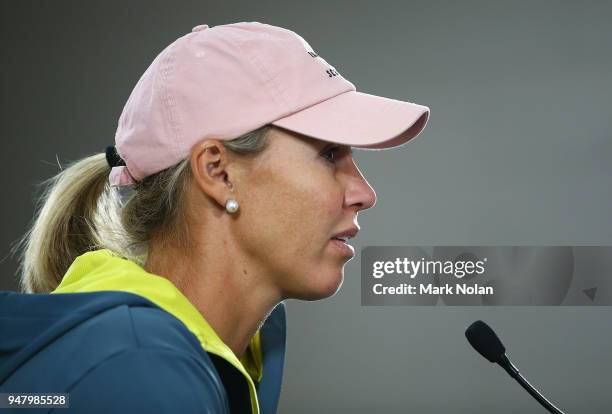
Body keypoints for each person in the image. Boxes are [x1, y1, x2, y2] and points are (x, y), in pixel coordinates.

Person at [0, 21, 430, 413]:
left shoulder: (207, 358)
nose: (364, 193)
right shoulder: (138, 373)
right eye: (330, 154)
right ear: (217, 171)